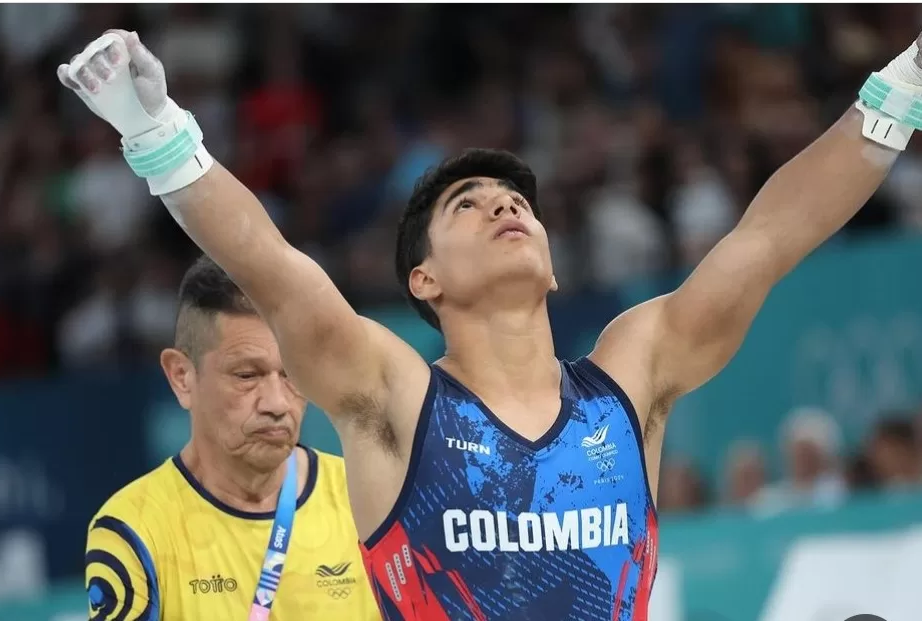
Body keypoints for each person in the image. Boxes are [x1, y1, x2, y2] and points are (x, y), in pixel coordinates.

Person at [61, 29, 922, 620]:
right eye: (469, 205)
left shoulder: (631, 376)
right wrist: (162, 138)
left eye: (516, 201)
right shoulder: (395, 400)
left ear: (551, 263)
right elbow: (274, 268)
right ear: (423, 279)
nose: (505, 205)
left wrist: (904, 89)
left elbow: (768, 238)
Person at [84, 256, 380, 620]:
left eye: (292, 374)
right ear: (182, 376)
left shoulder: (368, 501)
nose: (276, 403)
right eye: (246, 376)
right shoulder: (133, 527)